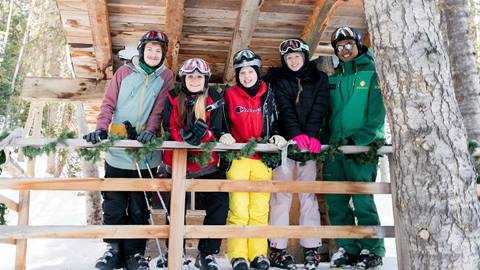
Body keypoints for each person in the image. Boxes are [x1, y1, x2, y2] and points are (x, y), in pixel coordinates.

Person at [84, 30, 174, 270]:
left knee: (139, 205)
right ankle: (112, 249)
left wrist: (152, 131)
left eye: (158, 50)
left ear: (163, 54)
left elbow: (159, 108)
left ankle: (134, 253)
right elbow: (108, 103)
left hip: (146, 152)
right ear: (142, 50)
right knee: (114, 203)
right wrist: (101, 129)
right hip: (119, 148)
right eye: (150, 49)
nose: (153, 54)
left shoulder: (165, 77)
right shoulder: (124, 72)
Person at [263, 38, 330, 270]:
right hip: (284, 144)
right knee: (282, 197)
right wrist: (295, 135)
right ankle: (277, 248)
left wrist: (310, 135)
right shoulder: (278, 80)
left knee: (307, 196)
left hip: (309, 146)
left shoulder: (319, 78)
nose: (293, 61)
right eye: (288, 58)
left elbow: (319, 107)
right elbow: (284, 109)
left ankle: (311, 248)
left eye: (297, 57)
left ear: (304, 57)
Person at [324, 26, 386, 270]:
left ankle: (372, 249)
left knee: (362, 200)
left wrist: (359, 139)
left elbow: (376, 115)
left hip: (361, 148)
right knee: (336, 201)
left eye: (349, 44)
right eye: (339, 47)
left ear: (359, 45)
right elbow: (327, 113)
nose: (344, 50)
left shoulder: (372, 73)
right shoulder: (334, 78)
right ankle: (348, 248)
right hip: (334, 148)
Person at [220, 49, 287, 270]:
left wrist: (278, 134)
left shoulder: (269, 93)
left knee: (259, 209)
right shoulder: (229, 95)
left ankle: (259, 254)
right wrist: (223, 134)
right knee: (239, 209)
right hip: (238, 158)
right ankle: (238, 255)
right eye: (242, 72)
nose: (247, 76)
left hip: (262, 159)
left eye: (251, 72)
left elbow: (278, 119)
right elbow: (219, 122)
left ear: (257, 72)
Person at [161, 58, 228, 270]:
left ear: (205, 79)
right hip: (178, 163)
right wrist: (181, 135)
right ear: (184, 78)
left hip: (206, 163)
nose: (195, 80)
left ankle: (207, 252)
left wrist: (204, 135)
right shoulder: (172, 97)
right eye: (191, 76)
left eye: (199, 77)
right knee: (175, 207)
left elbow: (216, 130)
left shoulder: (214, 97)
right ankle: (174, 250)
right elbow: (167, 125)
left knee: (220, 202)